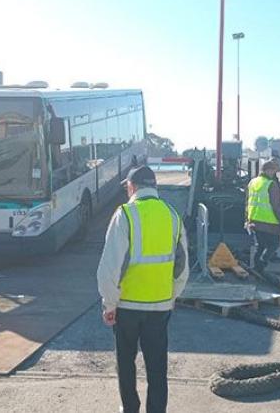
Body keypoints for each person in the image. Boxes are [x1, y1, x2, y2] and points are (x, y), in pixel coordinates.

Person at [97, 165, 189, 413]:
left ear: (131, 186)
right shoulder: (172, 215)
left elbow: (110, 266)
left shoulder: (125, 214)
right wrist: (171, 296)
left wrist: (109, 303)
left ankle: (130, 408)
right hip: (160, 306)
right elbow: (182, 266)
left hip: (127, 306)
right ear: (154, 186)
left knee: (125, 363)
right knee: (157, 365)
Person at [245, 160, 280, 272]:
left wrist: (247, 219)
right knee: (274, 245)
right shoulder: (271, 184)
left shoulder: (253, 182)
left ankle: (256, 265)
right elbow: (277, 206)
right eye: (274, 170)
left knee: (260, 245)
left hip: (255, 219)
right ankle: (262, 263)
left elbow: (247, 202)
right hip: (270, 222)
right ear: (269, 170)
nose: (275, 173)